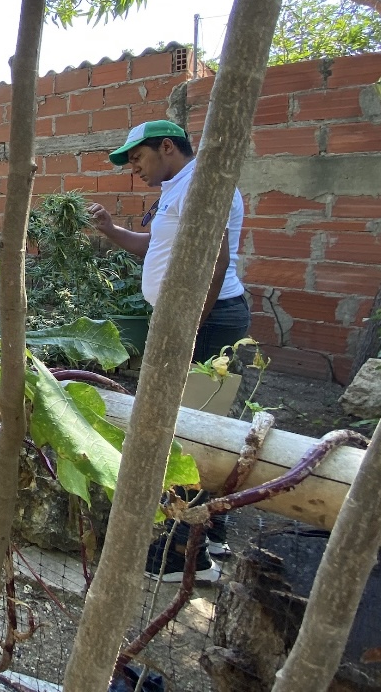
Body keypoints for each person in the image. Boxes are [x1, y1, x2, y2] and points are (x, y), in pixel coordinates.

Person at [87, 119, 250, 583]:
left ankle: (188, 555)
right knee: (200, 422)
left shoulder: (204, 183)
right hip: (192, 320)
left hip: (209, 321)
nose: (133, 168)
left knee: (194, 427)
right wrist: (110, 229)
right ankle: (210, 529)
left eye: (137, 158)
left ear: (166, 147)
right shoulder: (180, 187)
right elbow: (154, 247)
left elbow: (216, 260)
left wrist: (188, 328)